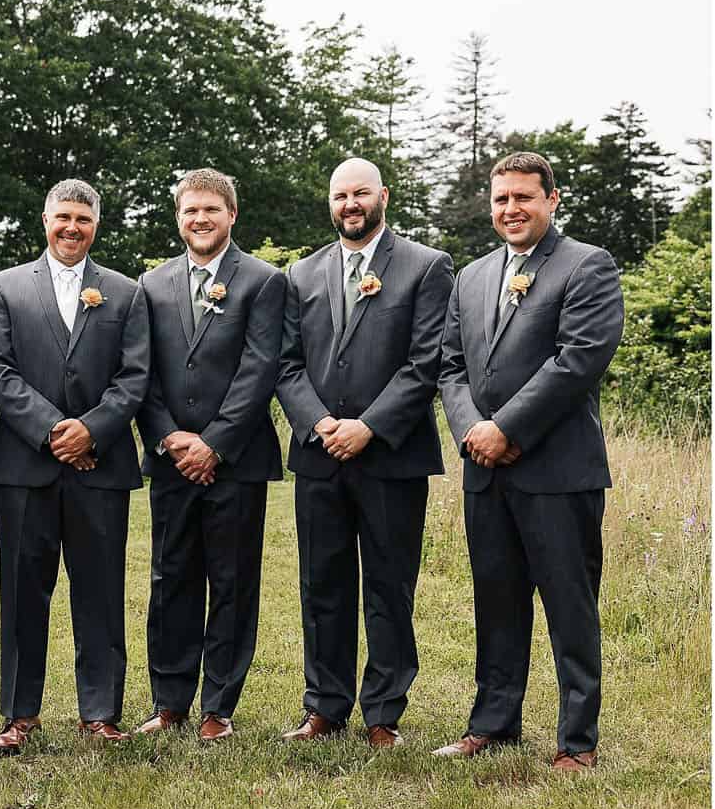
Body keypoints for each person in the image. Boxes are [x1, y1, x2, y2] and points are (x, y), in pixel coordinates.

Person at [436, 150, 624, 770]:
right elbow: (451, 367)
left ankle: (577, 741)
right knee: (496, 601)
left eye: (523, 197)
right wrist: (473, 431)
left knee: (570, 606)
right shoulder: (471, 276)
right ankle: (494, 723)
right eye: (501, 200)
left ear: (552, 200)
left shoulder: (586, 266)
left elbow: (578, 360)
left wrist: (507, 428)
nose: (510, 210)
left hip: (556, 471)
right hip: (485, 471)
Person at [276, 157, 454, 748]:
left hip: (390, 457)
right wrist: (321, 422)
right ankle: (325, 706)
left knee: (389, 585)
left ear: (383, 196)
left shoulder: (427, 267)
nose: (349, 204)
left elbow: (425, 361)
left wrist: (369, 427)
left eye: (359, 194)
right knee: (321, 583)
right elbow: (287, 362)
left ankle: (383, 713)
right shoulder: (301, 274)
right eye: (339, 196)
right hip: (320, 454)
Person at [0, 178, 150, 753]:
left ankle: (100, 712)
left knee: (100, 590)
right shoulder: (4, 288)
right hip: (25, 465)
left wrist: (92, 430)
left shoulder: (125, 293)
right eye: (62, 217)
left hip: (100, 466)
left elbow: (135, 377)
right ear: (45, 220)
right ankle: (19, 715)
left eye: (82, 218)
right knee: (23, 591)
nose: (71, 227)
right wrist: (54, 430)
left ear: (95, 225)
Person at [135, 169, 286, 742]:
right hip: (172, 459)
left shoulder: (264, 282)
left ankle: (218, 705)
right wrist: (171, 437)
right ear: (179, 217)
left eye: (211, 210)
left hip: (236, 460)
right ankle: (169, 700)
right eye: (190, 210)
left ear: (231, 215)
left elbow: (259, 370)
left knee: (232, 579)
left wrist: (215, 443)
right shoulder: (152, 284)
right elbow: (140, 374)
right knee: (170, 576)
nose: (200, 219)